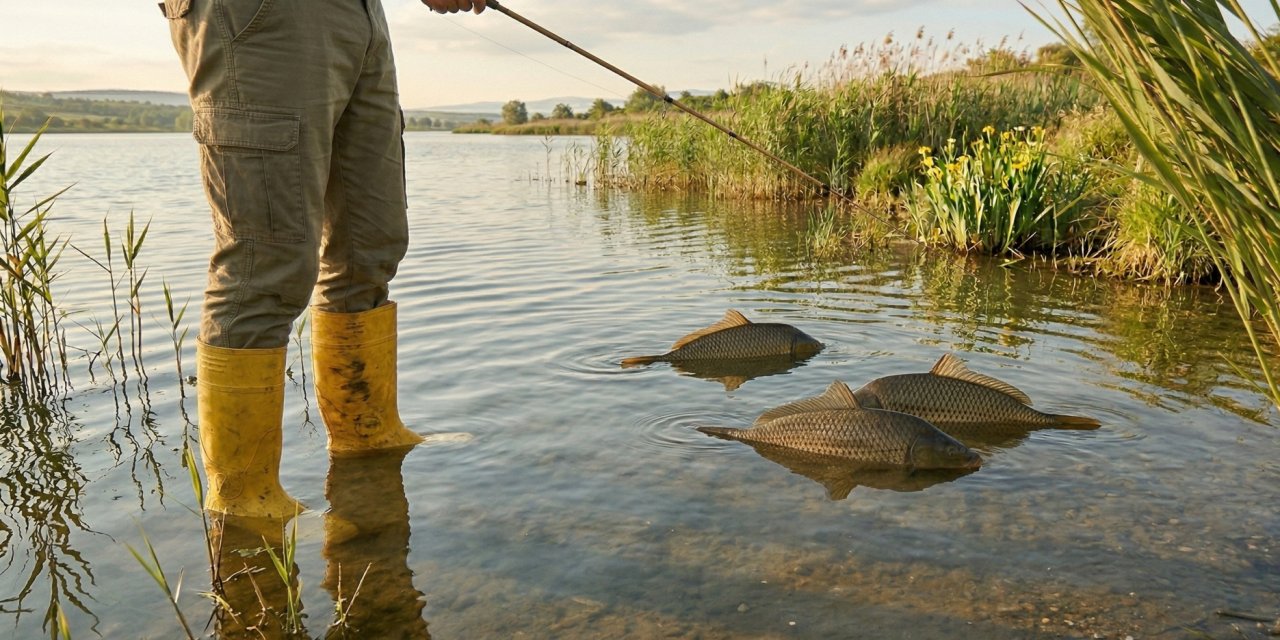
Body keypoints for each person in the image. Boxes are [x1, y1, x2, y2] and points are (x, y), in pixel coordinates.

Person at [159, 0, 487, 521]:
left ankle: (367, 441)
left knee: (370, 247)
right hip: (261, 14)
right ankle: (244, 506)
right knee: (265, 263)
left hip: (359, 14)